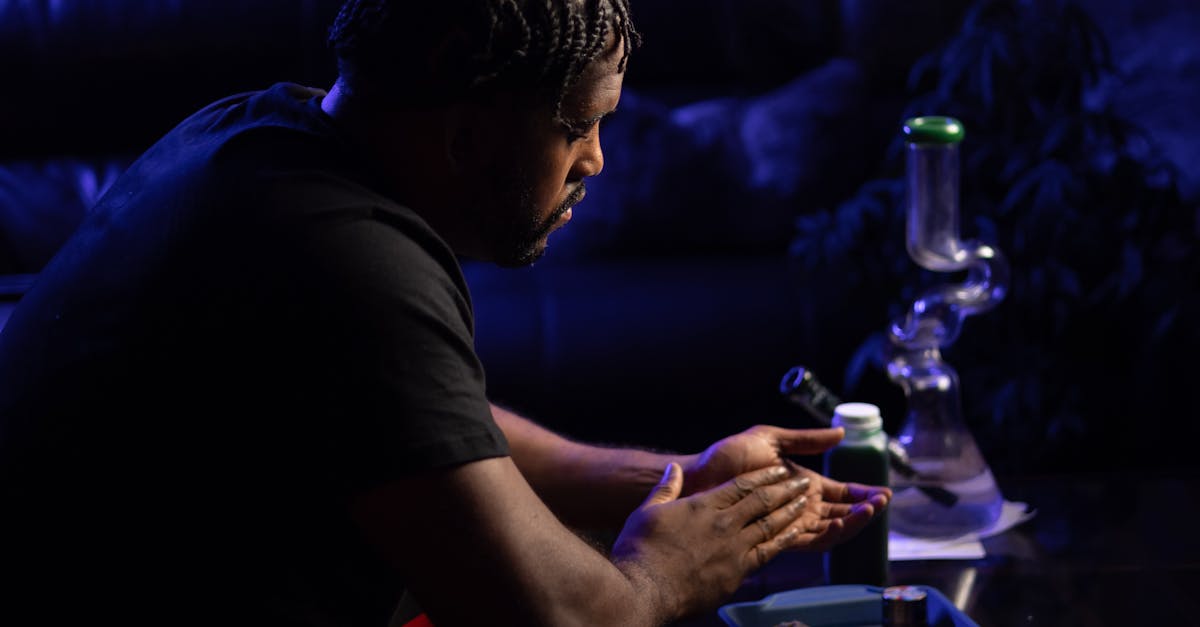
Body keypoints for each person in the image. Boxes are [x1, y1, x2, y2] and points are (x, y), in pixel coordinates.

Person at [0, 1, 890, 626]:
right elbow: (566, 616)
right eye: (580, 126)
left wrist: (678, 478)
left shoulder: (255, 136)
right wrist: (667, 570)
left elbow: (417, 424)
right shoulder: (344, 260)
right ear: (469, 136)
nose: (597, 161)